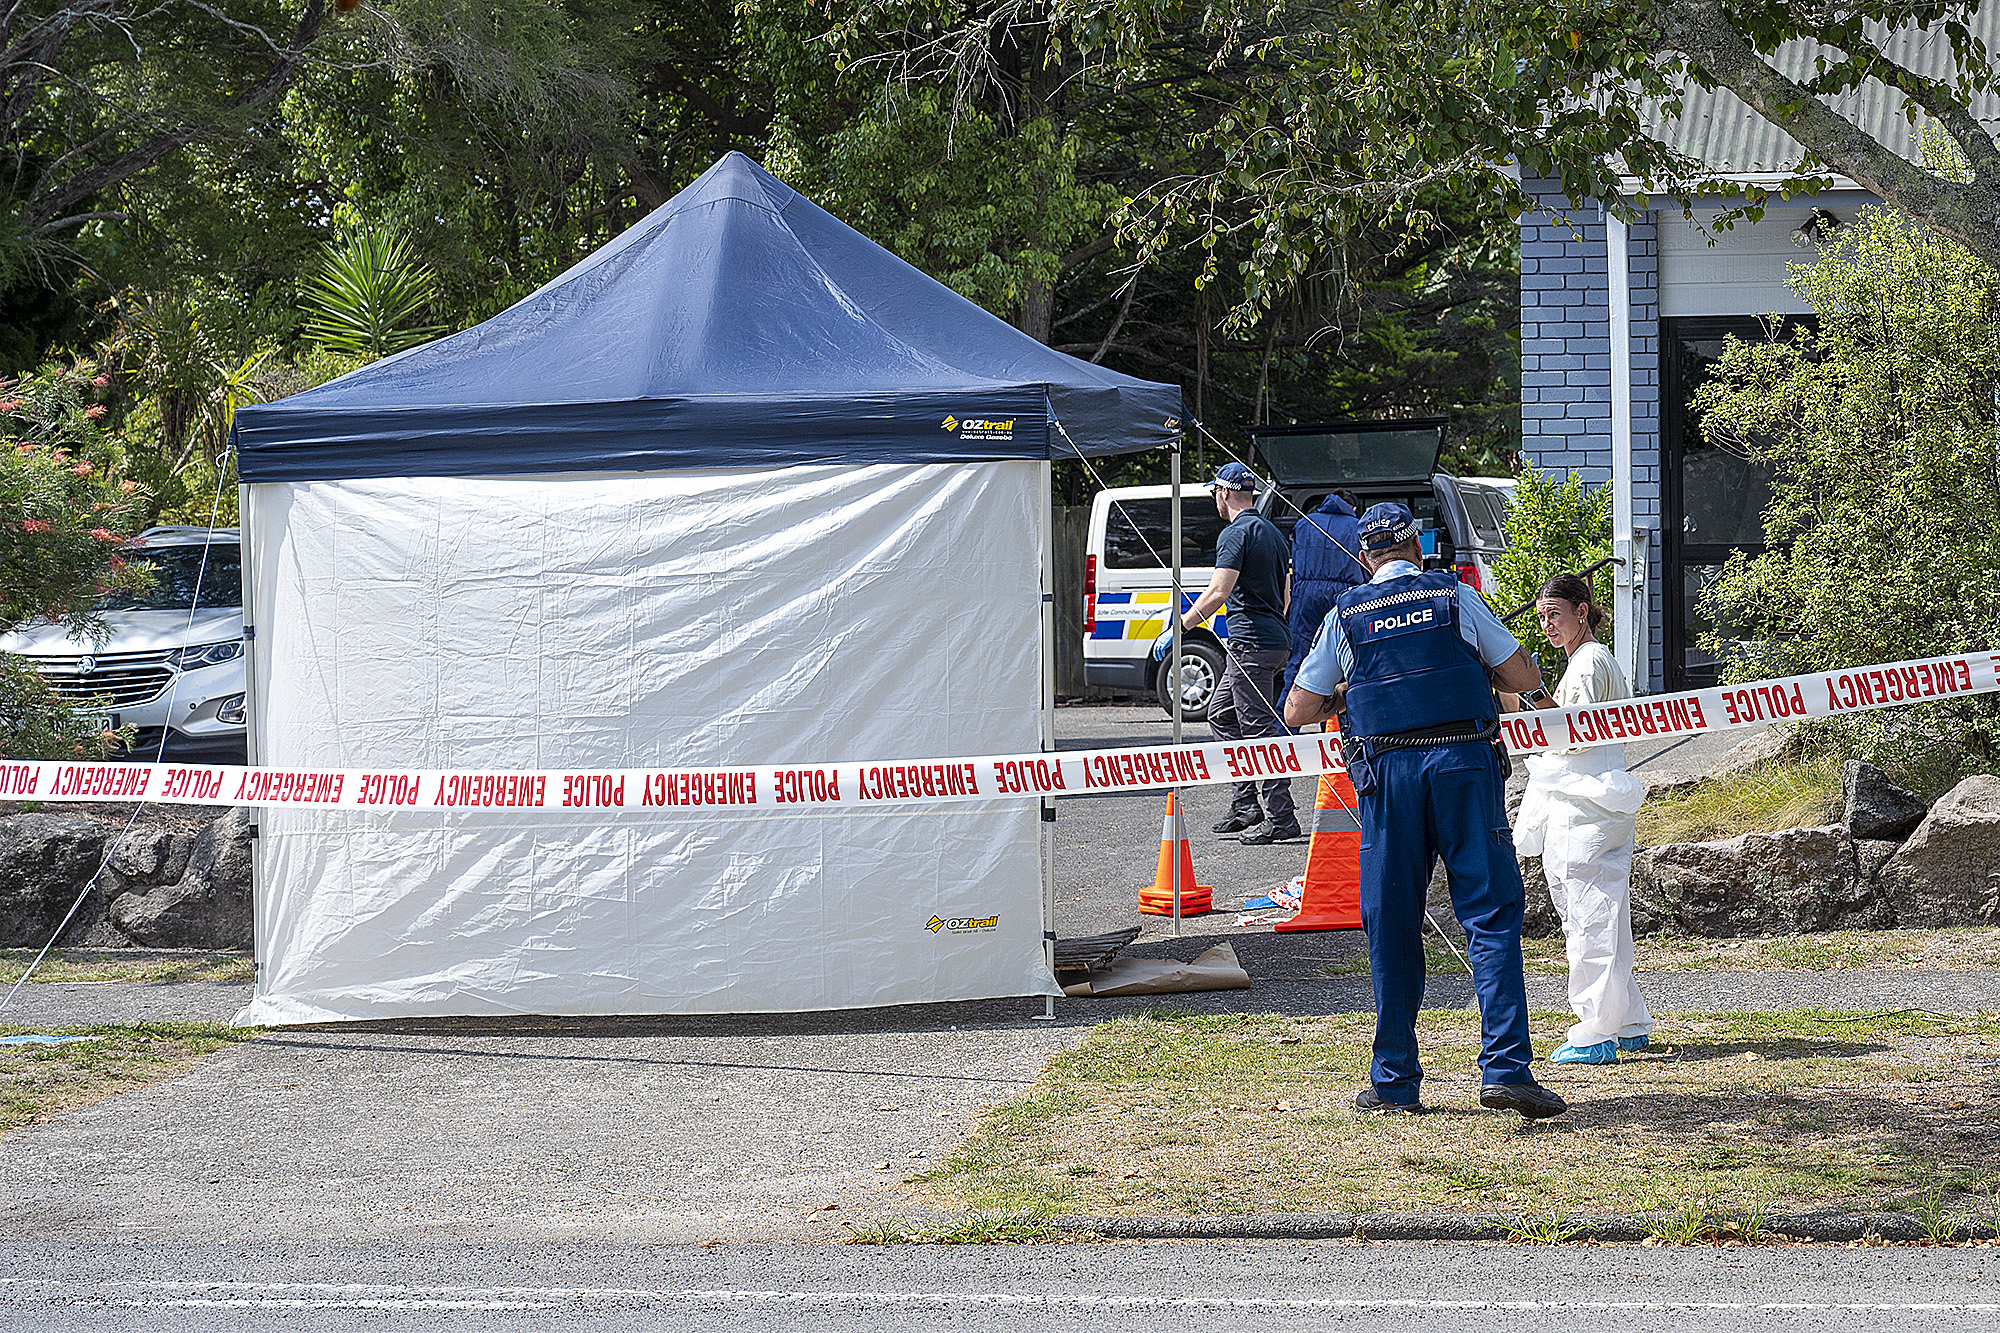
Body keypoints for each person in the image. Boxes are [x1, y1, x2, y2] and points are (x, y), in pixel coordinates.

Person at [1283, 502, 1567, 1119]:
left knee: (1391, 924)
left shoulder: (1344, 615)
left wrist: (1347, 692)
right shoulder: (1456, 597)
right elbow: (1521, 674)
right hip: (1464, 765)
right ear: (1418, 548)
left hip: (1388, 778)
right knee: (1490, 916)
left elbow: (1298, 710)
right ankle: (1506, 1071)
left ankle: (1394, 1080)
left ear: (1365, 558)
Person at [1513, 573, 1653, 1064]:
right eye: (1541, 617)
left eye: (1555, 613)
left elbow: (1575, 734)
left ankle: (1595, 1030)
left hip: (1584, 803)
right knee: (1605, 914)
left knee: (1587, 915)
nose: (1547, 624)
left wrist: (1532, 693)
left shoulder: (1590, 662)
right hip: (1595, 799)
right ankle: (1627, 1020)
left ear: (1582, 610)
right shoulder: (1590, 661)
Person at [1152, 460, 1297, 844]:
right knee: (1220, 714)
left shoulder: (1235, 534)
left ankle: (1281, 816)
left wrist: (1180, 628)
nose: (1215, 499)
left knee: (1258, 729)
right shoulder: (1274, 533)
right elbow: (1285, 596)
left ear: (1226, 492)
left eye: (1216, 492)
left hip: (1252, 645)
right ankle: (1246, 802)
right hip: (1273, 641)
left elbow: (1218, 591)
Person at [1283, 490, 1367, 697]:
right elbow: (1366, 568)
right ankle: (1339, 715)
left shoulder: (1304, 523)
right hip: (1344, 596)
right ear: (1353, 508)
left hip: (1305, 596)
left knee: (1299, 659)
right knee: (1347, 659)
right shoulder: (1358, 527)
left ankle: (1285, 714)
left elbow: (1294, 562)